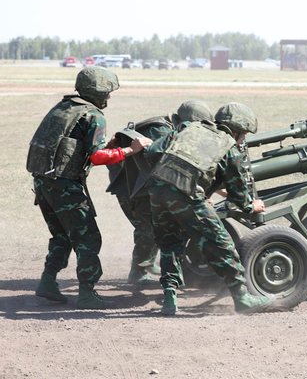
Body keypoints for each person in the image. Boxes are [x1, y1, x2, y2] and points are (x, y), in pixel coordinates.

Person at [27, 66, 152, 309]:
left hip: (43, 182)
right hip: (64, 186)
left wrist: (109, 145)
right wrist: (130, 150)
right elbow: (96, 157)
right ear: (97, 92)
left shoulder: (64, 108)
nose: (108, 97)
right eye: (107, 92)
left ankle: (47, 281)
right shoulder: (93, 115)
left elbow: (74, 147)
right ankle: (86, 292)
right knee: (88, 238)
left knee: (62, 235)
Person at [144, 102, 274, 315]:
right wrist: (252, 206)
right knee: (222, 244)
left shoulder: (189, 128)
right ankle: (242, 298)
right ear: (236, 130)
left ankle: (170, 298)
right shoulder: (228, 146)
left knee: (169, 244)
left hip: (157, 190)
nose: (243, 139)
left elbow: (152, 152)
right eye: (244, 135)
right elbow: (237, 191)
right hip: (187, 195)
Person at [109, 100, 214, 284]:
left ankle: (144, 264)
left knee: (154, 224)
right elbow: (170, 168)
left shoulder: (172, 127)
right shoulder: (161, 131)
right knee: (148, 227)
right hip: (130, 187)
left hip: (143, 184)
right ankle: (139, 272)